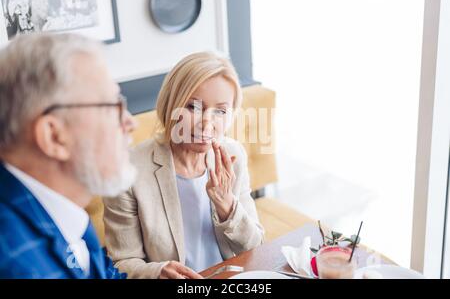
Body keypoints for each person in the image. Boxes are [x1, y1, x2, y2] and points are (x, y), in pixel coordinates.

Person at [103, 52, 265, 279]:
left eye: (220, 111)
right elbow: (121, 262)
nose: (207, 122)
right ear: (171, 106)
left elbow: (255, 245)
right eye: (193, 107)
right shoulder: (128, 170)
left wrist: (227, 206)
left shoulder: (233, 156)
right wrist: (157, 272)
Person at [0, 33, 137, 279]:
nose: (130, 122)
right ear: (53, 136)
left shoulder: (65, 207)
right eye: (110, 106)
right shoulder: (14, 264)